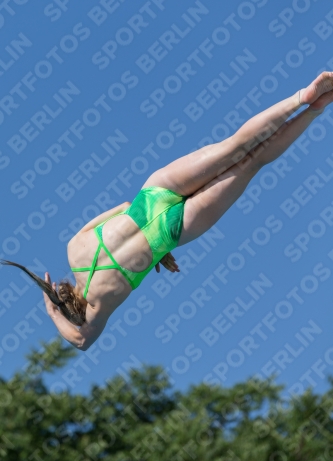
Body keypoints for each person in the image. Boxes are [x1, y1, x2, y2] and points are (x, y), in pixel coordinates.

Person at [3, 72, 333, 351]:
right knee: (233, 146)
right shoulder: (75, 246)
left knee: (252, 161)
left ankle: (316, 107)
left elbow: (81, 342)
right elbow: (121, 208)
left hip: (172, 230)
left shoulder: (100, 304)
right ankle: (302, 95)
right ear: (60, 286)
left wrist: (51, 313)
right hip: (154, 194)